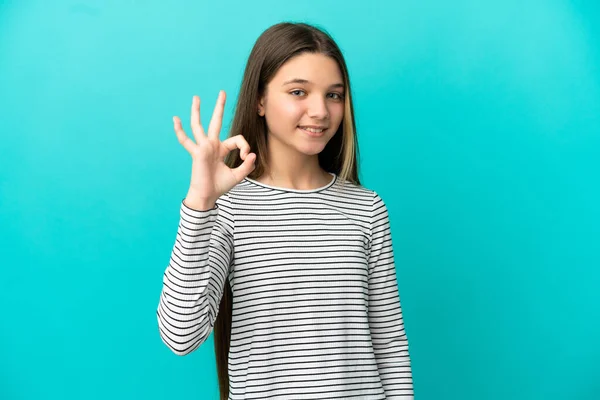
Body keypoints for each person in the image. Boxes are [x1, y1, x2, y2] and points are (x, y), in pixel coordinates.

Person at [156, 22, 414, 400]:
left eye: (334, 95)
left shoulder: (366, 208)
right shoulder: (228, 208)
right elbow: (181, 336)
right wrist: (200, 201)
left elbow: (388, 341)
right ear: (260, 100)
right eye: (298, 92)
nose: (320, 111)